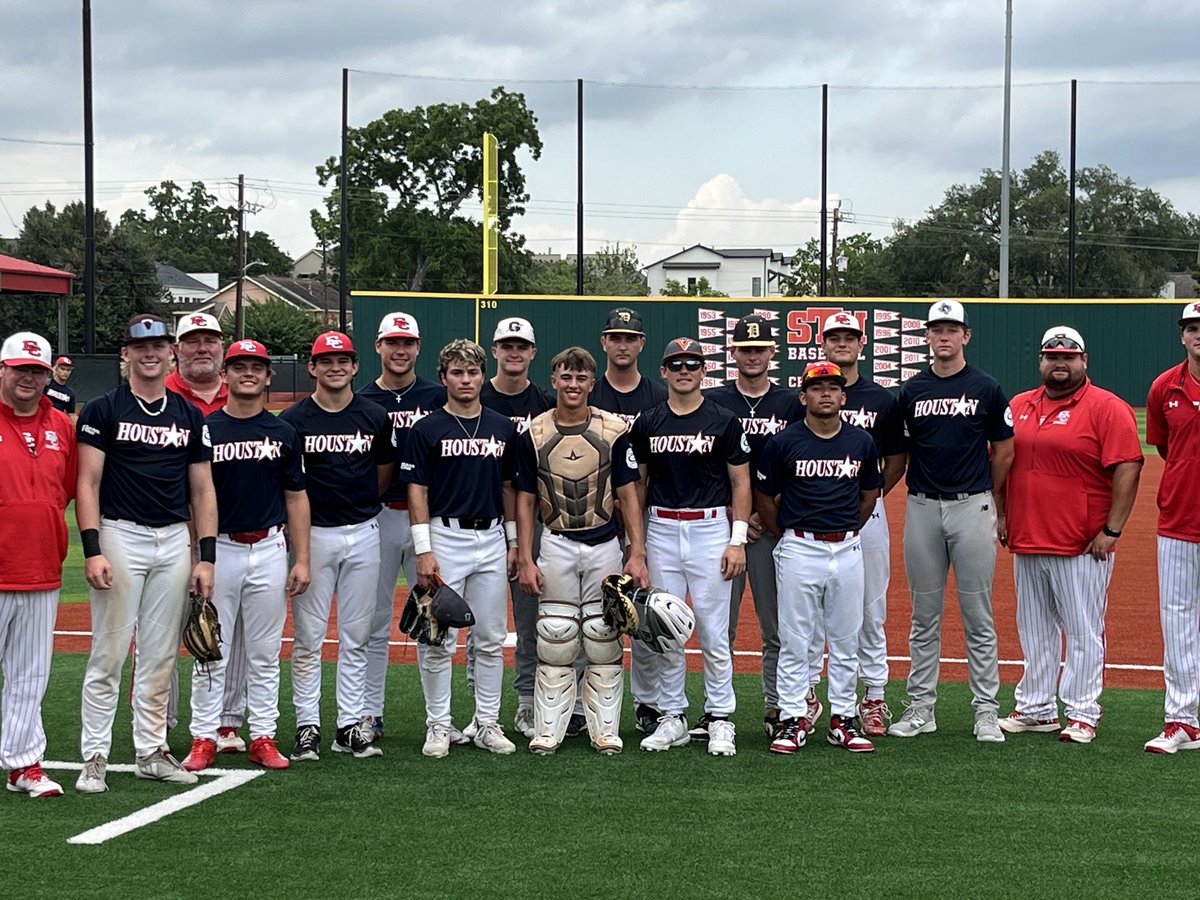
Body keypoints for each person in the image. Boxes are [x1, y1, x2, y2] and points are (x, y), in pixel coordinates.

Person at [75, 313, 217, 792]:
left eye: (158, 345)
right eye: (141, 347)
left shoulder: (188, 414)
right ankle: (94, 754)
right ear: (126, 354)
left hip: (174, 538)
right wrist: (92, 548)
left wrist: (205, 555)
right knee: (109, 652)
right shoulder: (103, 409)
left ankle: (151, 750)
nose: (150, 353)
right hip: (121, 533)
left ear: (169, 351)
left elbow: (202, 491)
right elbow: (87, 483)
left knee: (159, 656)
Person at [997, 325, 1142, 745]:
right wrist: (1002, 515)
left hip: (1081, 543)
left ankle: (1082, 711)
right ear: (1041, 361)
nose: (1060, 362)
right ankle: (1037, 708)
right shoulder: (1020, 405)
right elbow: (1003, 463)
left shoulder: (1106, 407)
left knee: (1082, 630)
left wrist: (1112, 529)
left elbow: (1128, 467)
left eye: (1069, 356)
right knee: (1034, 628)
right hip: (1027, 536)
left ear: (1084, 361)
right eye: (1051, 355)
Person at [181, 340, 312, 772]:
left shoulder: (283, 432)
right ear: (226, 374)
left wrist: (302, 558)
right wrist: (201, 555)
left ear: (269, 376)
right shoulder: (206, 428)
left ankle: (263, 736)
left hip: (270, 547)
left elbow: (296, 497)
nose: (248, 374)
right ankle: (204, 735)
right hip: (221, 549)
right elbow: (193, 499)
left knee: (264, 651)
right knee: (209, 648)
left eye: (257, 367)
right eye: (239, 367)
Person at [887, 299, 1014, 744]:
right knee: (924, 616)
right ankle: (922, 707)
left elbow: (1005, 450)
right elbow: (900, 453)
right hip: (922, 506)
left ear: (966, 336)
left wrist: (989, 495)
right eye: (936, 329)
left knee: (978, 615)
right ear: (927, 337)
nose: (944, 336)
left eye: (951, 329)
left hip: (971, 505)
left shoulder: (986, 387)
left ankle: (985, 710)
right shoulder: (911, 391)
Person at [514, 346, 649, 755]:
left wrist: (636, 552)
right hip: (555, 542)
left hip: (604, 543)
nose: (573, 385)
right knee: (555, 636)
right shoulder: (533, 433)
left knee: (603, 634)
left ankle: (604, 731)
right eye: (565, 377)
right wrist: (524, 555)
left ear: (593, 383)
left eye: (581, 378)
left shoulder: (614, 429)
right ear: (553, 381)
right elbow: (523, 499)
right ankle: (548, 730)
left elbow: (628, 492)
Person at [629, 338, 750, 755]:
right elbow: (639, 486)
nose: (684, 369)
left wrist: (736, 541)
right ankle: (672, 715)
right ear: (663, 371)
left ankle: (719, 717)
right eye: (675, 363)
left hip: (710, 528)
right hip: (661, 527)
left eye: (692, 363)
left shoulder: (724, 420)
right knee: (664, 631)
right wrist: (637, 548)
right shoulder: (648, 421)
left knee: (714, 632)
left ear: (704, 371)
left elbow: (741, 483)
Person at [755, 359, 883, 754]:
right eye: (817, 387)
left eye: (832, 387)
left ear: (843, 396)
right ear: (803, 396)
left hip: (847, 546)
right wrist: (789, 533)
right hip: (799, 545)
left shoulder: (861, 441)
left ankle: (843, 719)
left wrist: (844, 528)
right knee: (796, 639)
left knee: (846, 640)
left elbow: (868, 496)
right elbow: (765, 498)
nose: (825, 393)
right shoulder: (784, 442)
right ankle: (793, 718)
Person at [402, 339, 519, 758]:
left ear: (483, 374)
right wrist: (423, 549)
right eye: (457, 372)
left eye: (472, 372)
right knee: (437, 638)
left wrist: (513, 543)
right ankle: (438, 724)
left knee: (489, 637)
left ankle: (486, 722)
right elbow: (417, 490)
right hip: (445, 535)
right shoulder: (427, 428)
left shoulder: (502, 426)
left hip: (489, 537)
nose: (465, 379)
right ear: (444, 377)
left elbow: (508, 488)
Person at [279, 332, 394, 762]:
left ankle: (350, 724)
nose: (334, 367)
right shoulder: (293, 420)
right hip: (315, 535)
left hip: (364, 530)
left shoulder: (374, 415)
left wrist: (363, 505)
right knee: (309, 637)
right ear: (312, 367)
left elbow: (383, 472)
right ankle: (307, 724)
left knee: (357, 635)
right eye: (325, 361)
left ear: (355, 365)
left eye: (342, 360)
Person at [704, 314, 801, 740]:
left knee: (774, 625)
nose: (753, 355)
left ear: (772, 352)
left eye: (760, 348)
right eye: (746, 348)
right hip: (724, 524)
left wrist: (763, 512)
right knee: (718, 625)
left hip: (772, 524)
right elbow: (707, 466)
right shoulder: (714, 401)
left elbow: (801, 460)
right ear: (733, 353)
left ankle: (777, 706)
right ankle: (716, 709)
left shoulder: (791, 403)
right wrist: (735, 513)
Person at [357, 312, 446, 741]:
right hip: (379, 516)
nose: (399, 350)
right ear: (378, 347)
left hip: (430, 521)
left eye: (407, 343)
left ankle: (439, 721)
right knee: (372, 622)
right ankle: (370, 714)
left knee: (434, 620)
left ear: (417, 347)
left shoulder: (438, 395)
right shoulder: (360, 399)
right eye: (392, 342)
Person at [819, 312, 907, 737]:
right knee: (817, 610)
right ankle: (813, 694)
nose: (842, 343)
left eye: (848, 337)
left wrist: (868, 499)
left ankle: (873, 695)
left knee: (871, 608)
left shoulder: (882, 400)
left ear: (862, 343)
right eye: (834, 337)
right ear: (823, 344)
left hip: (867, 516)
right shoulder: (809, 392)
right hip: (817, 518)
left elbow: (896, 460)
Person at [165, 313, 247, 754]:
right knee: (160, 630)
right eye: (191, 340)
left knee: (228, 631)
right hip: (170, 528)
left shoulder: (239, 393)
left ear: (222, 347)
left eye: (210, 340)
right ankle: (158, 722)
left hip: (229, 534)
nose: (201, 347)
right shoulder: (161, 395)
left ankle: (228, 722)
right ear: (176, 348)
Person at [1, 331, 77, 798]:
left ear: (48, 376)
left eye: (37, 371)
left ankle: (24, 762)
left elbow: (67, 489)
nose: (28, 378)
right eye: (20, 369)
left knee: (30, 674)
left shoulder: (63, 427)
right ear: (2, 370)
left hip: (41, 564)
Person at [588, 306, 668, 735]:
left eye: (630, 337)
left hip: (646, 514)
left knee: (641, 610)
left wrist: (634, 509)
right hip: (593, 518)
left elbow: (657, 461)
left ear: (641, 343)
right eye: (614, 336)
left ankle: (648, 702)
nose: (622, 344)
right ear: (604, 342)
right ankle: (584, 705)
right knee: (592, 612)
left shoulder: (657, 397)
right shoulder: (588, 392)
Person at [479, 317, 554, 739]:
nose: (513, 352)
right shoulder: (474, 394)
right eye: (506, 345)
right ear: (494, 351)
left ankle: (528, 704)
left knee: (531, 621)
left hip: (534, 522)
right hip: (480, 524)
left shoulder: (544, 403)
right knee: (478, 625)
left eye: (521, 346)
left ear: (532, 353)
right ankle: (479, 711)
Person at [1144, 301, 1200, 754]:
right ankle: (1182, 721)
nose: (1199, 334)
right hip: (1179, 518)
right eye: (1192, 328)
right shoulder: (1165, 387)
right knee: (1178, 620)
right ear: (1182, 335)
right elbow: (1165, 447)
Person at [44, 355, 77, 419]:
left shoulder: (70, 393)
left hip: (56, 422)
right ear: (56, 369)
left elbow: (72, 414)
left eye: (68, 370)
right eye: (62, 369)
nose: (65, 372)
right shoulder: (46, 384)